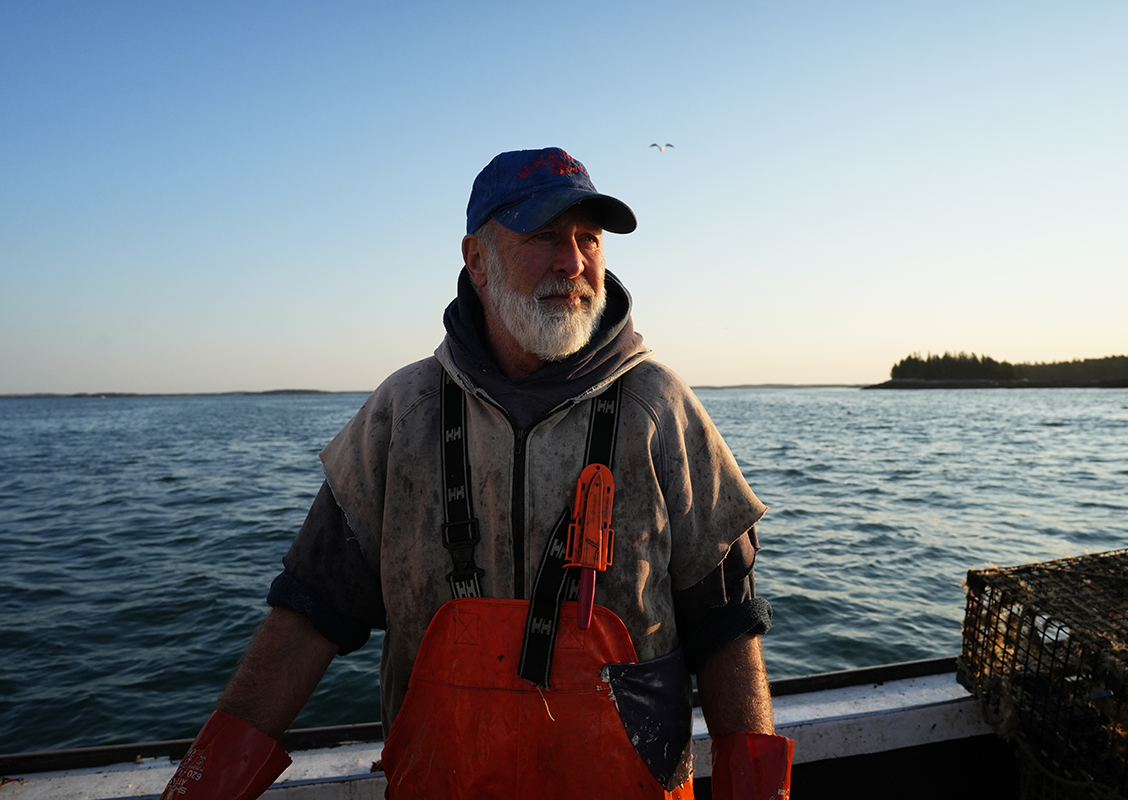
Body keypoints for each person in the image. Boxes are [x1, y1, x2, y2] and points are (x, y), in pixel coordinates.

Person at [161, 147, 794, 799]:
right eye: (544, 235)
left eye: (588, 239)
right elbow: (308, 614)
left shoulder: (661, 409)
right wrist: (199, 790)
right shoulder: (401, 413)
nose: (572, 262)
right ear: (476, 259)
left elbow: (728, 628)